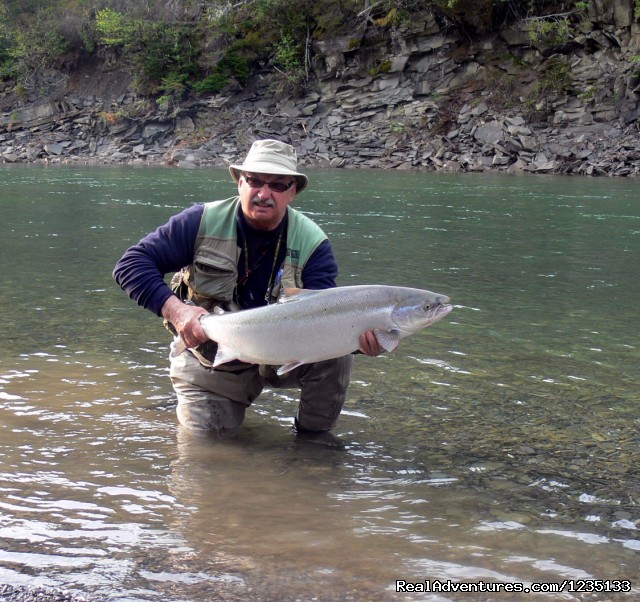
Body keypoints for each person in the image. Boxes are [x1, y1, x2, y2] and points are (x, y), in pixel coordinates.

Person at [114, 139, 382, 436]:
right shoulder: (200, 222)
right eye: (255, 181)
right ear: (240, 182)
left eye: (278, 185)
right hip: (211, 357)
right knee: (206, 452)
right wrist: (178, 313)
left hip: (282, 353)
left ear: (292, 192)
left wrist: (358, 341)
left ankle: (312, 447)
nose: (264, 194)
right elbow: (131, 264)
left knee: (337, 358)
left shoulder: (313, 244)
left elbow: (323, 316)